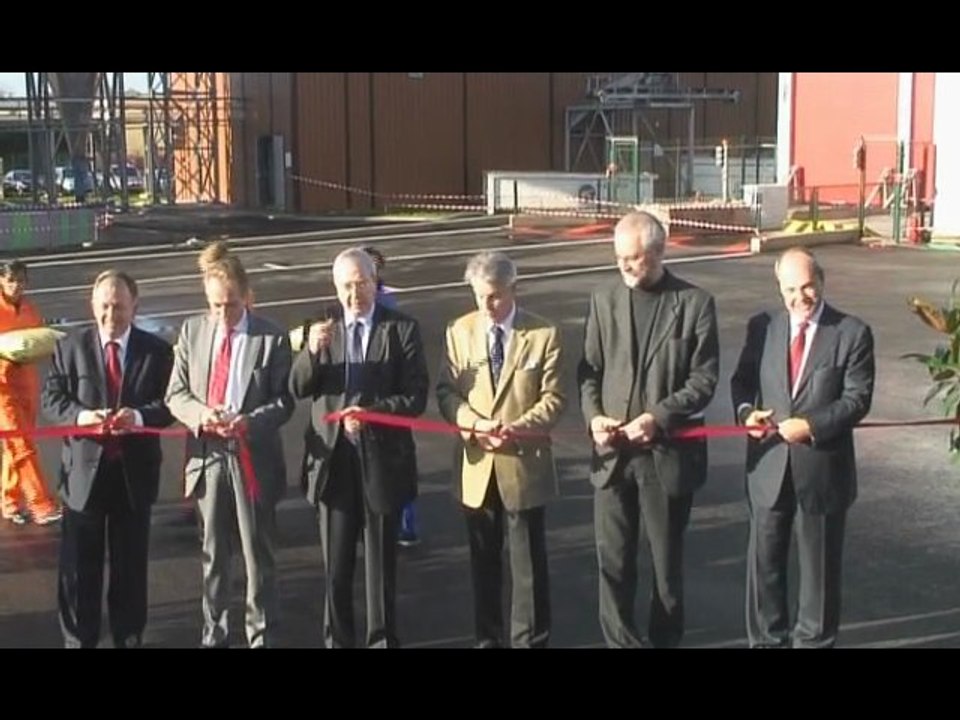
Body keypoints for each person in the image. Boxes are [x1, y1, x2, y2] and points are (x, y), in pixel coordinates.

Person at [578, 210, 719, 648]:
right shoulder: (604, 300)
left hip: (666, 457)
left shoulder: (695, 303)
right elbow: (589, 371)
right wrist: (593, 416)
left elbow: (704, 379)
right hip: (613, 455)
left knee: (665, 569)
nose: (624, 267)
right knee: (613, 564)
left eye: (633, 259)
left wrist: (657, 417)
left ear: (659, 252)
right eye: (619, 258)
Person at [730, 247, 874, 648]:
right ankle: (767, 641)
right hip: (768, 467)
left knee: (819, 579)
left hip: (821, 470)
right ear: (779, 287)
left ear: (822, 280)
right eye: (790, 289)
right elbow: (742, 382)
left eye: (807, 286)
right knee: (765, 571)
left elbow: (856, 399)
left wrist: (810, 425)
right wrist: (746, 414)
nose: (800, 298)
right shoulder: (763, 327)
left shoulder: (852, 333)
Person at [289, 247, 428, 648]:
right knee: (336, 567)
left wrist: (371, 412)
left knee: (380, 567)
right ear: (336, 288)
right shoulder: (322, 327)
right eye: (346, 286)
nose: (355, 294)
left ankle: (382, 640)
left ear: (375, 283)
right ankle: (338, 640)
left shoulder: (401, 329)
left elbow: (415, 396)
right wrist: (310, 353)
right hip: (334, 463)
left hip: (381, 460)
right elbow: (298, 388)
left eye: (362, 284)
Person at [166, 245, 293, 648]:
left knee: (258, 557)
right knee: (213, 555)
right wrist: (202, 415)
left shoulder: (271, 337)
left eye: (231, 305)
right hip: (208, 457)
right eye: (215, 305)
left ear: (247, 296)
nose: (223, 314)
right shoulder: (192, 330)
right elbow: (176, 393)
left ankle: (261, 636)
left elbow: (284, 401)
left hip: (253, 455)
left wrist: (248, 422)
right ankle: (214, 634)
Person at [436, 251, 565, 648]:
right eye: (478, 297)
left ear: (514, 289)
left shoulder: (543, 334)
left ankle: (530, 641)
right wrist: (475, 424)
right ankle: (487, 639)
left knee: (527, 567)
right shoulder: (459, 331)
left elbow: (554, 399)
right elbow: (447, 393)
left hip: (523, 465)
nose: (486, 306)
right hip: (477, 464)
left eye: (494, 296)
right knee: (483, 563)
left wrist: (515, 429)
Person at [42, 270, 174, 648]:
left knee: (129, 571)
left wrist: (138, 417)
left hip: (133, 477)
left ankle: (128, 639)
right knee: (79, 572)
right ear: (92, 305)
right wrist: (83, 418)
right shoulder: (70, 348)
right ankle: (78, 641)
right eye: (104, 306)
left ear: (135, 305)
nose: (111, 315)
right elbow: (53, 400)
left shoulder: (157, 351)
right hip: (83, 479)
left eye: (119, 306)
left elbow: (167, 404)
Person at [361, 245, 420, 547]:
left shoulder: (386, 303)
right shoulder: (371, 297)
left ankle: (406, 524)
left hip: (389, 395)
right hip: (375, 397)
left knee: (398, 465)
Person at [0, 259, 61, 526]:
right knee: (21, 446)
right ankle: (41, 504)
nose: (16, 286)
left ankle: (10, 500)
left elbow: (40, 339)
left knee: (16, 446)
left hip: (27, 383)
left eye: (21, 281)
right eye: (11, 280)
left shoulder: (29, 309)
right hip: (2, 389)